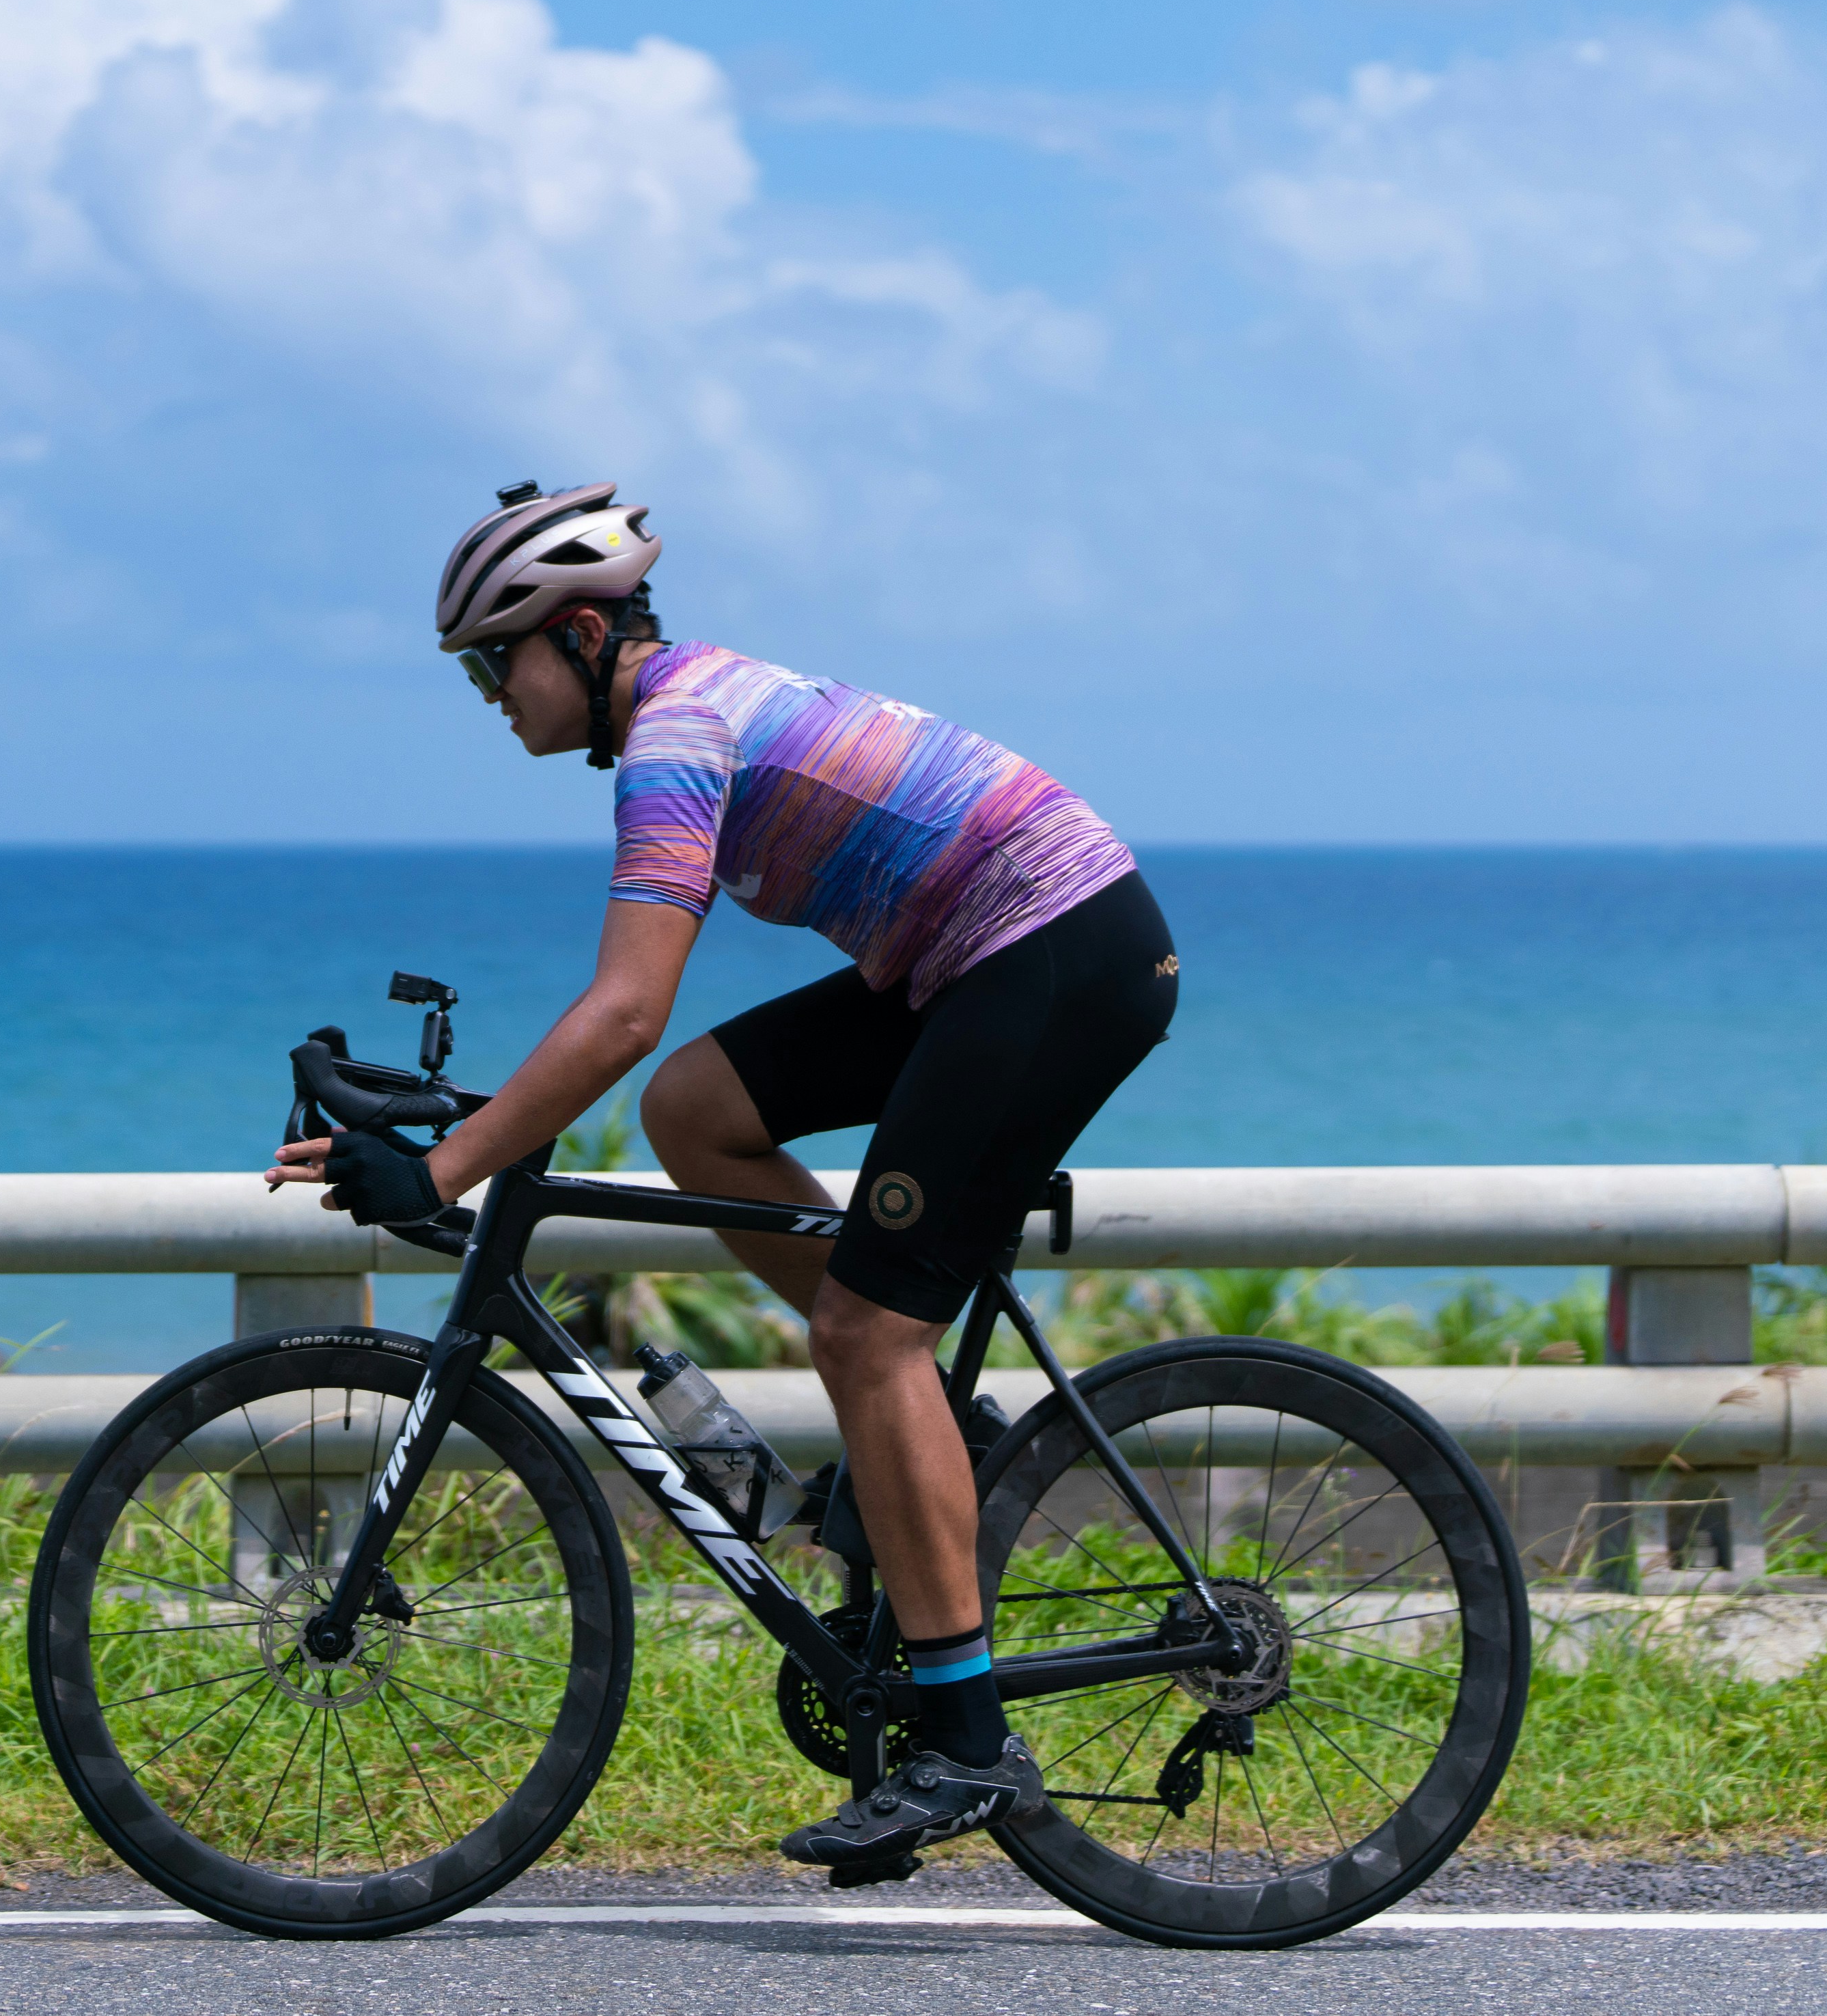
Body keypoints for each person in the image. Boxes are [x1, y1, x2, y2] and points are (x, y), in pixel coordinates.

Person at [266, 479, 1179, 1874]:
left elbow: (622, 1006)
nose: (486, 696)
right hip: (982, 952)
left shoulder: (677, 736)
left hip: (1052, 950)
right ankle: (929, 1437)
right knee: (698, 1109)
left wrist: (448, 1164)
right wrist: (471, 1125)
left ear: (574, 635)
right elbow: (645, 1053)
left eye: (489, 662)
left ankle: (965, 1741)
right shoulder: (682, 718)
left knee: (863, 1331)